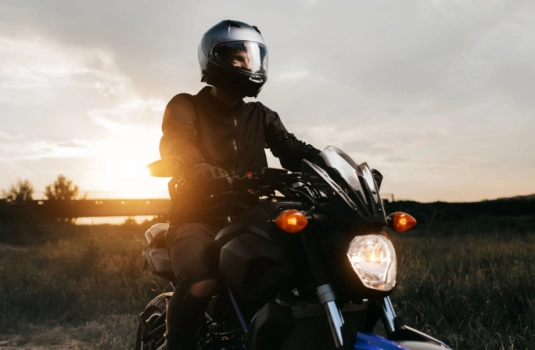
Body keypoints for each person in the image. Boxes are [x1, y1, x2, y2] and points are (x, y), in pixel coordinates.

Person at [157, 19, 320, 349]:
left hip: (253, 218)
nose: (248, 65)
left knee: (303, 269)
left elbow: (292, 150)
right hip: (197, 218)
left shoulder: (260, 115)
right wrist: (198, 166)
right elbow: (176, 142)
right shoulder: (186, 105)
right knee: (201, 281)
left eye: (252, 58)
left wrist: (334, 167)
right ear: (213, 59)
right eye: (238, 58)